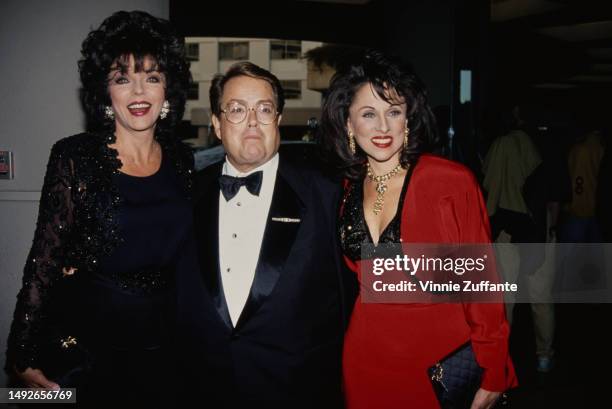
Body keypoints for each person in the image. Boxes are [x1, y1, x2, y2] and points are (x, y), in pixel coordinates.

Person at [4, 10, 193, 403]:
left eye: (152, 77)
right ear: (106, 92)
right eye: (122, 78)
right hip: (88, 350)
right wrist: (20, 353)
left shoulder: (183, 161)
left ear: (168, 89)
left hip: (165, 349)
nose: (139, 92)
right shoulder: (75, 156)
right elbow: (44, 260)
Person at [320, 50, 517, 409]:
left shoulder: (449, 182)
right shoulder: (347, 189)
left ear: (407, 118)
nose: (382, 127)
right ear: (348, 124)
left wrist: (493, 368)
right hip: (365, 360)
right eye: (368, 114)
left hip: (438, 365)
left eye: (393, 112)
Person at [175, 62, 355, 408]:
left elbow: (378, 281)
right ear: (216, 124)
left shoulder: (328, 194)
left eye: (264, 109)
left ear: (279, 119)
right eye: (237, 110)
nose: (253, 121)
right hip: (204, 392)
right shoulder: (184, 196)